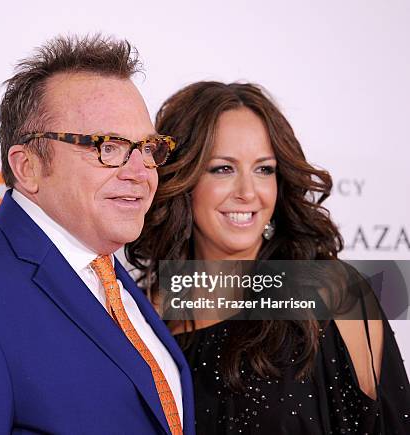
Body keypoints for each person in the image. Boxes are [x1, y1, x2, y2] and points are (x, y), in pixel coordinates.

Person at [0, 35, 195, 435]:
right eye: (108, 147)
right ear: (27, 167)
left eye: (148, 148)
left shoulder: (110, 275)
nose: (140, 171)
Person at [127, 81, 410, 434]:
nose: (248, 193)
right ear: (183, 178)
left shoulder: (332, 294)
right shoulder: (144, 315)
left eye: (264, 169)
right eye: (222, 169)